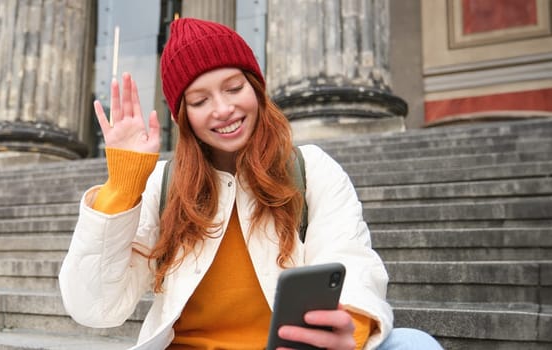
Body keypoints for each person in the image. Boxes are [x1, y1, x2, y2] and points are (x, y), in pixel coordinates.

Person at [59, 18, 442, 350]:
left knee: (415, 344)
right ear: (182, 117)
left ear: (256, 88)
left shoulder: (312, 168)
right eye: (199, 99)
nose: (223, 109)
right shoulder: (163, 184)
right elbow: (94, 306)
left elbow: (351, 260)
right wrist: (123, 187)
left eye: (233, 87)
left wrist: (351, 324)